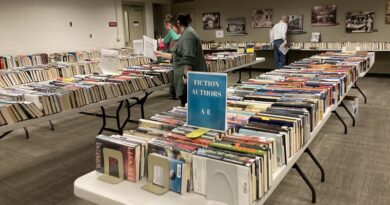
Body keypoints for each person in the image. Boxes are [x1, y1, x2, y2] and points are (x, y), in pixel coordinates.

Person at [155, 13, 207, 106]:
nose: (172, 29)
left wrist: (186, 79)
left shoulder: (188, 35)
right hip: (189, 81)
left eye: (172, 26)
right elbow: (179, 56)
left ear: (178, 24)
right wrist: (162, 54)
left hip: (188, 83)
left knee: (188, 107)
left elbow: (188, 59)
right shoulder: (186, 33)